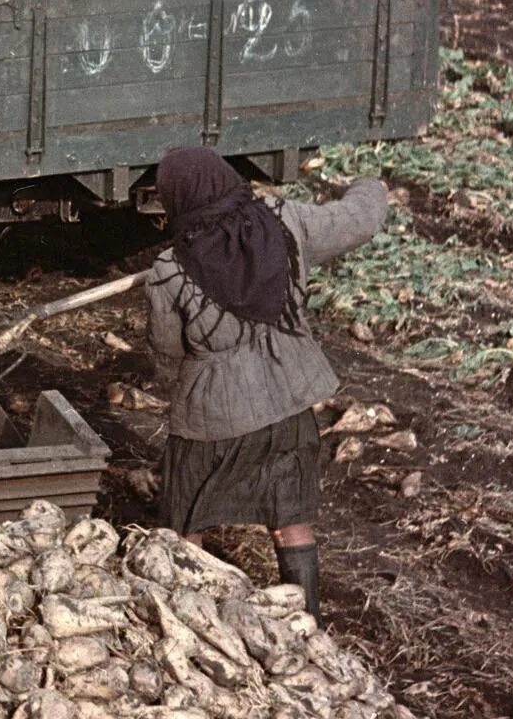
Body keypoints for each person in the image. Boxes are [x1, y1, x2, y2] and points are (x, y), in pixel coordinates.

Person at [145, 145, 388, 621]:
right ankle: (308, 624)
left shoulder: (169, 269)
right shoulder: (283, 220)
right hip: (289, 405)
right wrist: (370, 188)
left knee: (187, 527)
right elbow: (356, 220)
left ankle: (195, 623)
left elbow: (168, 351)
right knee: (291, 520)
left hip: (211, 424)